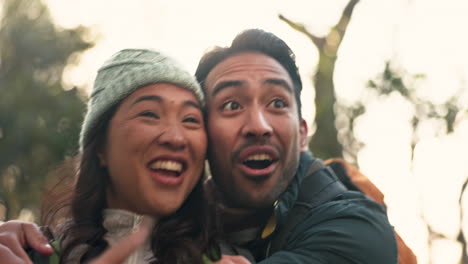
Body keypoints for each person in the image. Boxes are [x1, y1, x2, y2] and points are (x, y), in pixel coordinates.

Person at [1, 29, 400, 263]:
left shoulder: (350, 223)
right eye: (230, 105)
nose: (258, 126)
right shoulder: (40, 247)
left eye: (277, 103)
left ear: (302, 130)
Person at [0, 48, 228, 264]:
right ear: (100, 147)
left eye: (190, 120)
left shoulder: (229, 258)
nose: (176, 138)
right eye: (149, 114)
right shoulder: (28, 256)